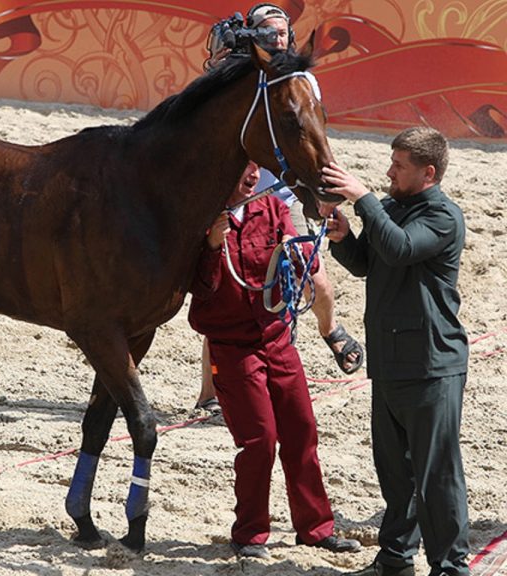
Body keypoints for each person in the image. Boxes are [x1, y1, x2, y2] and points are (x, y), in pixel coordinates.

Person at [196, 2, 363, 412]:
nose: (278, 38)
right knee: (231, 301)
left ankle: (330, 329)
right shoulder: (241, 82)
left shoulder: (301, 82)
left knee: (316, 282)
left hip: (284, 196)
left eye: (281, 30)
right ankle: (209, 393)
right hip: (242, 200)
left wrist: (320, 189)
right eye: (267, 33)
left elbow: (313, 139)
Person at [189, 159, 361, 559]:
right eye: (242, 169)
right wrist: (212, 246)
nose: (252, 176)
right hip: (232, 346)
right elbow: (197, 291)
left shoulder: (272, 208)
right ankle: (249, 533)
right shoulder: (198, 216)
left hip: (277, 339)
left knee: (302, 431)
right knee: (259, 440)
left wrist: (303, 256)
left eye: (254, 169)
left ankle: (316, 529)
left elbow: (301, 261)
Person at [323, 126, 470, 576]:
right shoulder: (391, 208)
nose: (389, 172)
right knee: (394, 472)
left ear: (428, 172)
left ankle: (450, 567)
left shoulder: (443, 216)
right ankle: (394, 559)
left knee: (436, 476)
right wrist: (344, 236)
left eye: (398, 166)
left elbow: (402, 248)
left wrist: (363, 198)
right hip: (388, 363)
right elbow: (369, 262)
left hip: (431, 364)